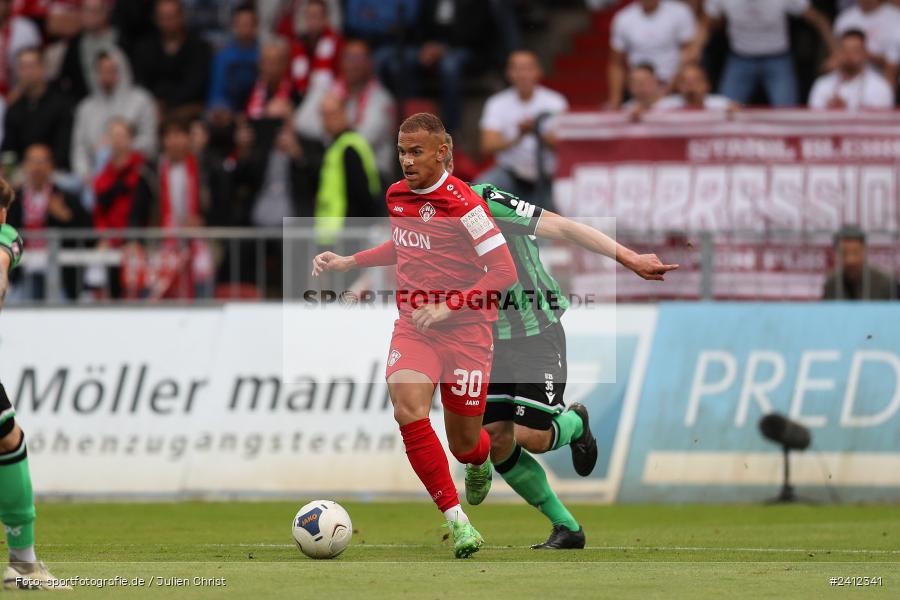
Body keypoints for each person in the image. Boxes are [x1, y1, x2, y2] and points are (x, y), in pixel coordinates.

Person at [312, 113, 518, 558]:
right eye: (402, 151)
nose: (406, 161)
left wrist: (450, 304)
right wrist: (351, 262)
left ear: (442, 151)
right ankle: (458, 522)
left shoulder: (466, 205)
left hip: (467, 332)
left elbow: (504, 271)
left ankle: (481, 458)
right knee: (408, 409)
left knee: (465, 445)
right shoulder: (396, 195)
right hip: (415, 327)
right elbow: (405, 243)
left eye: (416, 151)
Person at [0, 176, 71, 590]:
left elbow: (3, 258)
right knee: (9, 439)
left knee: (8, 438)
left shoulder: (7, 236)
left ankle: (23, 565)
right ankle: (23, 565)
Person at [478, 50, 568, 210]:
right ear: (509, 73)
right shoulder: (497, 103)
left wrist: (537, 131)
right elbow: (487, 145)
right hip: (511, 174)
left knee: (561, 208)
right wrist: (518, 136)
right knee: (480, 189)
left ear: (538, 72)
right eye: (517, 69)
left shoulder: (555, 102)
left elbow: (564, 147)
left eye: (528, 68)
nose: (522, 74)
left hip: (547, 177)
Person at [701, 0, 835, 106]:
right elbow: (706, 24)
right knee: (724, 109)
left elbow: (819, 20)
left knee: (787, 113)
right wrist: (693, 50)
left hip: (777, 59)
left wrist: (837, 52)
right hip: (740, 59)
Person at [294, 39, 396, 179]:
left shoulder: (382, 100)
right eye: (348, 57)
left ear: (369, 63)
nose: (353, 64)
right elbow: (301, 122)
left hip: (374, 176)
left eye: (359, 58)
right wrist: (334, 126)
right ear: (341, 62)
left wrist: (336, 127)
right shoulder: (328, 89)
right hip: (336, 173)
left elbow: (363, 141)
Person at [5, 144, 91, 301]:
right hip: (22, 270)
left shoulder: (66, 198)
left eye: (42, 161)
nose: (37, 167)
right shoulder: (13, 201)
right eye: (32, 161)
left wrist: (65, 218)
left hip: (57, 272)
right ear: (24, 166)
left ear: (51, 166)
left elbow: (88, 235)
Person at [71, 51, 158, 187]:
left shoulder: (141, 100)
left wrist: (117, 146)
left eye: (111, 70)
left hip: (130, 173)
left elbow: (150, 144)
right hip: (91, 177)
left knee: (104, 154)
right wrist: (84, 174)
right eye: (102, 71)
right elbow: (79, 148)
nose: (106, 76)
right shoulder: (85, 108)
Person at [608, 0, 697, 108]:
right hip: (639, 87)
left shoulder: (679, 12)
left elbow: (689, 55)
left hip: (674, 85)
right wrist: (616, 99)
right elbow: (617, 64)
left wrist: (668, 90)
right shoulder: (623, 18)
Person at [133, 0, 212, 117]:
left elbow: (196, 84)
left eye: (171, 17)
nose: (167, 22)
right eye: (162, 17)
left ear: (181, 17)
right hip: (153, 106)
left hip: (188, 106)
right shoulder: (145, 48)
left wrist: (169, 104)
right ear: (155, 19)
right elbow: (141, 81)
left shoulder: (198, 47)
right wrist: (154, 103)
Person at [314, 94, 381, 230]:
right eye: (323, 115)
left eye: (332, 114)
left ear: (344, 113)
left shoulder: (349, 147)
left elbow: (361, 193)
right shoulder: (337, 146)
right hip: (334, 231)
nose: (327, 120)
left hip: (346, 231)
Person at [2, 47, 73, 170]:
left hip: (55, 172)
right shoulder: (13, 108)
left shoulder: (61, 104)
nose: (28, 72)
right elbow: (9, 150)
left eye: (32, 66)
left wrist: (41, 166)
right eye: (23, 67)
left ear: (43, 67)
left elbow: (64, 149)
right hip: (22, 174)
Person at [55, 0, 133, 103]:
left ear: (105, 13)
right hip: (88, 105)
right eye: (84, 10)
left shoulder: (121, 39)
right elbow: (66, 78)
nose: (87, 16)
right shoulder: (75, 43)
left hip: (123, 101)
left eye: (92, 11)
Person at [808, 30, 895, 110]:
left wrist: (846, 111)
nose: (849, 56)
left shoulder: (880, 87)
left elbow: (881, 122)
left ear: (865, 53)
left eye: (855, 51)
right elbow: (813, 120)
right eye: (845, 50)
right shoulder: (822, 84)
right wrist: (831, 112)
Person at [207, 3, 260, 116]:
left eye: (248, 24)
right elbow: (216, 93)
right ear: (234, 26)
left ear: (256, 25)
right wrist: (221, 109)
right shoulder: (222, 57)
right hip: (228, 114)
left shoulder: (264, 55)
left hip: (258, 110)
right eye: (241, 24)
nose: (245, 28)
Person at [833, 0, 900, 87]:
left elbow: (893, 65)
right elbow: (835, 56)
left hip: (880, 80)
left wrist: (864, 55)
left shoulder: (895, 17)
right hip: (847, 79)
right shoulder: (844, 18)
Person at [822, 225, 897, 300]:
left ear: (864, 250)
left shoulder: (886, 283)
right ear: (837, 253)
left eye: (855, 253)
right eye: (844, 253)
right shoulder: (832, 284)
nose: (850, 260)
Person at [285, 0, 342, 96]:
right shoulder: (297, 44)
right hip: (300, 95)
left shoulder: (337, 43)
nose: (312, 21)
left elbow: (341, 77)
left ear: (326, 18)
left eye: (316, 16)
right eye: (309, 16)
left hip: (328, 95)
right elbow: (289, 77)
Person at [246, 39, 300, 121]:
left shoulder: (296, 93)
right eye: (265, 62)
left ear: (285, 64)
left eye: (274, 62)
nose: (268, 68)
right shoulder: (249, 88)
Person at [654, 62, 736, 110]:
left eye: (696, 81)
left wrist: (738, 113)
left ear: (707, 85)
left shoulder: (722, 105)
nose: (691, 85)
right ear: (677, 86)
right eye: (685, 81)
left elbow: (742, 114)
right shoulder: (664, 106)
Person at [0, 0, 41, 96]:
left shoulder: (25, 28)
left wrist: (16, 95)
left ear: (8, 4)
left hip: (23, 94)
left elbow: (35, 65)